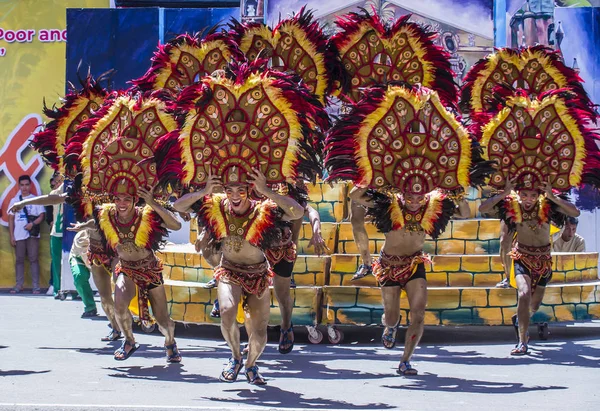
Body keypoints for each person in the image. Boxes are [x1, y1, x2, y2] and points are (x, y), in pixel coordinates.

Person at [174, 168, 304, 385]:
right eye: (230, 190)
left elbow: (297, 212)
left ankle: (251, 364)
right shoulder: (216, 205)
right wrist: (204, 190)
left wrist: (266, 191)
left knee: (260, 332)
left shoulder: (264, 209)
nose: (235, 195)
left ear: (249, 190)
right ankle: (235, 357)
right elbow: (179, 206)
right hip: (229, 270)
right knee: (226, 311)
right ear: (223, 190)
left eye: (241, 190)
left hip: (258, 274)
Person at [351, 186, 469, 374]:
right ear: (402, 194)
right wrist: (371, 177)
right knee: (391, 317)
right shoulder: (387, 202)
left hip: (414, 264)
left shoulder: (434, 205)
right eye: (409, 197)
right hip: (389, 266)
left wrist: (458, 194)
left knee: (419, 314)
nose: (414, 202)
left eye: (419, 197)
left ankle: (405, 360)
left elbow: (464, 213)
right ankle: (390, 327)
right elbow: (355, 195)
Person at [72, 182, 182, 362]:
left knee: (163, 320)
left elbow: (176, 225)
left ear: (134, 200)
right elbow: (97, 222)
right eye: (118, 199)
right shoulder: (107, 214)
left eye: (126, 199)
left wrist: (152, 202)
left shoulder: (146, 214)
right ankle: (129, 341)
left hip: (150, 269)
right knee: (119, 306)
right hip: (126, 268)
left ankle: (170, 343)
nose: (121, 203)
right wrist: (84, 226)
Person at [9, 181, 121, 341]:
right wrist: (24, 202)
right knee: (104, 297)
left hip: (116, 248)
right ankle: (116, 329)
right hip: (94, 249)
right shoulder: (80, 193)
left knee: (121, 289)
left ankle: (130, 330)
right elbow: (53, 199)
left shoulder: (115, 191)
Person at [480, 178, 580, 355]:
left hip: (543, 260)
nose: (528, 199)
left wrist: (553, 197)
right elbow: (483, 208)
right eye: (524, 195)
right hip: (522, 257)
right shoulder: (511, 206)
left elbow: (576, 212)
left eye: (533, 195)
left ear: (539, 195)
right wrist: (504, 193)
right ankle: (522, 341)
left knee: (534, 305)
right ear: (518, 193)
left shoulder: (548, 204)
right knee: (524, 293)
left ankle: (520, 318)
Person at [8, 175, 46, 294]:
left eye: (27, 185)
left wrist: (32, 224)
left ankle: (36, 286)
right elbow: (10, 219)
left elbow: (42, 216)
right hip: (19, 234)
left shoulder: (35, 199)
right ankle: (19, 285)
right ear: (19, 186)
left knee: (33, 259)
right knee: (19, 260)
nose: (24, 187)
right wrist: (11, 236)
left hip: (32, 234)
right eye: (22, 185)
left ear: (30, 185)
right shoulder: (14, 200)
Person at [69, 229, 98, 317]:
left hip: (100, 260)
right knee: (79, 276)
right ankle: (90, 307)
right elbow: (86, 257)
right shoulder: (81, 237)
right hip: (79, 258)